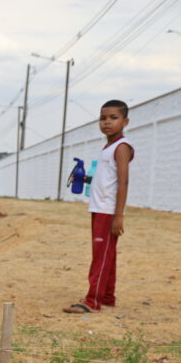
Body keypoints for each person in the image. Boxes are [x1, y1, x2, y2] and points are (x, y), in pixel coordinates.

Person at [64, 100, 134, 314]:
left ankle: (92, 300)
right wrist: (84, 179)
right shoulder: (108, 147)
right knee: (107, 255)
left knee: (100, 256)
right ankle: (107, 297)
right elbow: (107, 179)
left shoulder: (122, 148)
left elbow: (123, 182)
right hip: (99, 208)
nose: (107, 122)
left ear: (125, 121)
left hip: (108, 211)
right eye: (103, 118)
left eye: (113, 118)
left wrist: (118, 216)